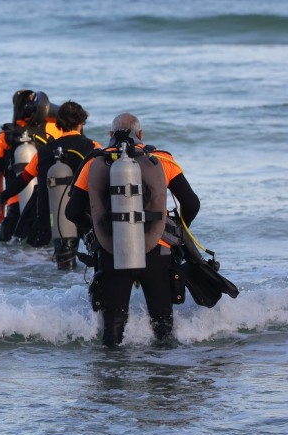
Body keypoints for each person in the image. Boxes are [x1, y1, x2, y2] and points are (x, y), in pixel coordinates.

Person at [65, 113, 200, 347]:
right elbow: (191, 203)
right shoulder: (162, 160)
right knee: (162, 323)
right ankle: (165, 376)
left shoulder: (93, 162)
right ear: (140, 134)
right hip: (159, 249)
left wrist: (98, 230)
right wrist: (176, 231)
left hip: (112, 249)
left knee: (113, 327)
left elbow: (72, 212)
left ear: (110, 136)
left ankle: (112, 379)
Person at [0, 100, 101, 268]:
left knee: (48, 259)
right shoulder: (92, 147)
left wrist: (1, 198)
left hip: (47, 220)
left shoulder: (44, 151)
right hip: (82, 218)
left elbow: (23, 180)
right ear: (81, 123)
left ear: (59, 125)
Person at [0, 90, 61, 242]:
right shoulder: (51, 129)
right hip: (45, 196)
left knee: (10, 240)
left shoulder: (4, 136)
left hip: (15, 198)